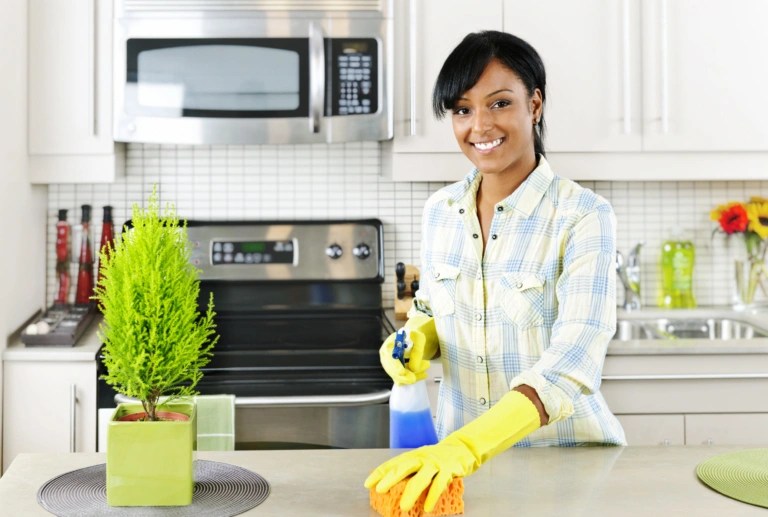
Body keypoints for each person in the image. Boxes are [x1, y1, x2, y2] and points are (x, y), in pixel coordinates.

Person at [365, 30, 626, 512]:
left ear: (535, 104)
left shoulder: (583, 215)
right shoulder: (440, 210)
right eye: (462, 109)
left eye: (499, 103)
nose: (479, 125)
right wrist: (418, 341)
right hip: (456, 472)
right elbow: (430, 309)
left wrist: (469, 445)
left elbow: (573, 359)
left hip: (566, 465)